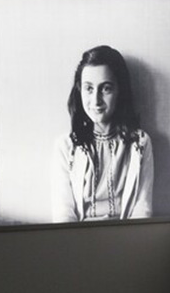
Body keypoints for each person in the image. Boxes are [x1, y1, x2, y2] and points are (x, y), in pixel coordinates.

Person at [51, 45, 154, 222]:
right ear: (79, 90)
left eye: (105, 88)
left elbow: (142, 208)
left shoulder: (140, 143)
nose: (96, 101)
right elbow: (63, 213)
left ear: (120, 91)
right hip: (80, 241)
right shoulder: (65, 146)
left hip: (127, 240)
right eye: (89, 89)